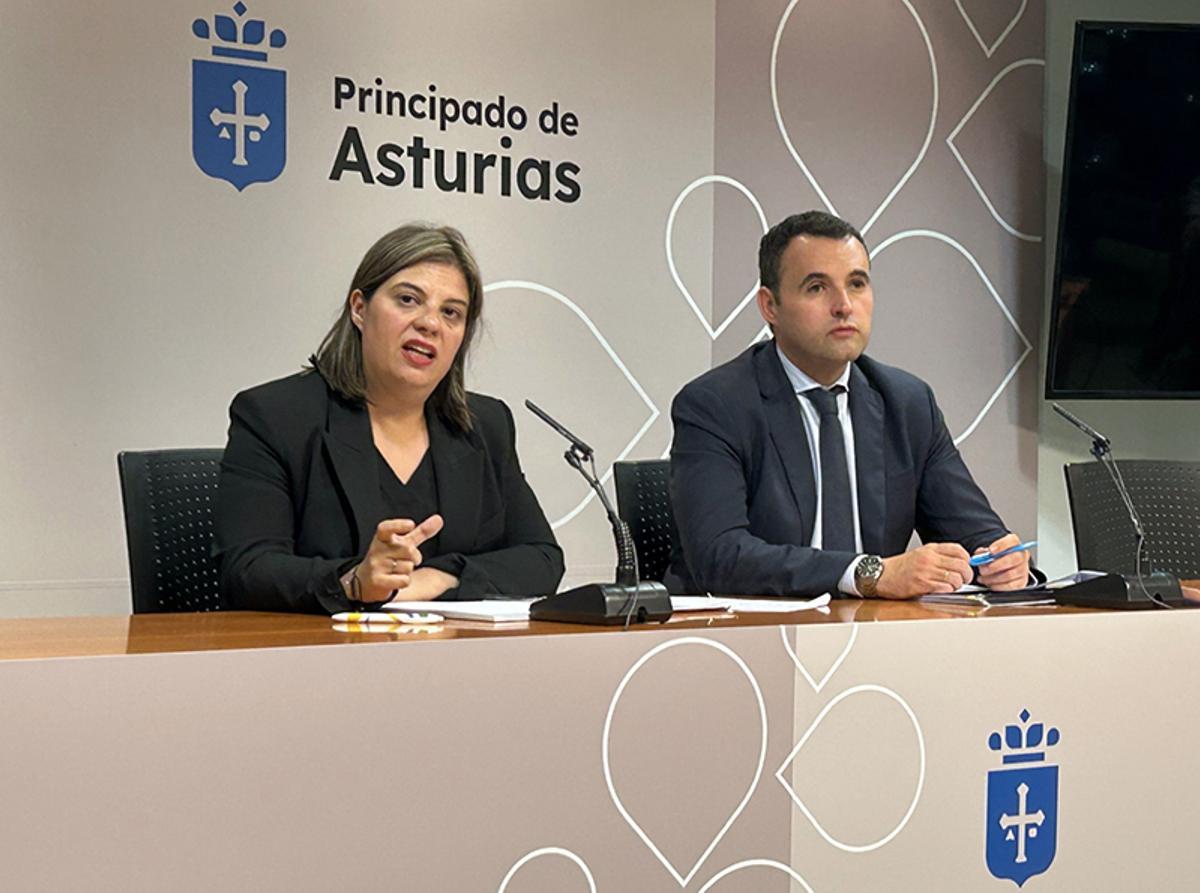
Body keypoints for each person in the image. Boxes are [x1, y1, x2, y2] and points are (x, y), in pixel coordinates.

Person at [666, 211, 1033, 599]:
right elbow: (719, 557)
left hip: (876, 639)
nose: (843, 305)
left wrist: (1001, 561)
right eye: (817, 288)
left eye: (857, 284)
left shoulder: (907, 404)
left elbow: (974, 533)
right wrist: (867, 573)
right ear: (770, 306)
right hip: (751, 643)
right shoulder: (716, 405)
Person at [215, 223, 564, 613]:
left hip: (459, 661)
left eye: (451, 312)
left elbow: (542, 559)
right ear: (360, 309)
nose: (430, 323)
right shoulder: (276, 416)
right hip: (320, 661)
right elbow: (246, 571)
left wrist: (438, 578)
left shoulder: (486, 424)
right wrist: (354, 582)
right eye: (408, 300)